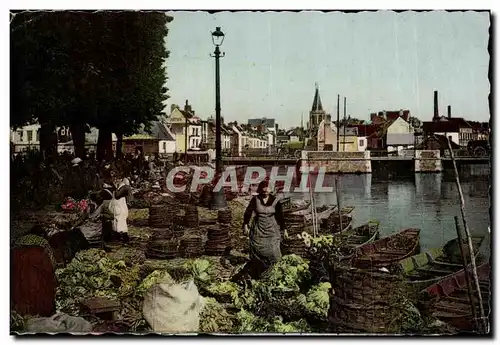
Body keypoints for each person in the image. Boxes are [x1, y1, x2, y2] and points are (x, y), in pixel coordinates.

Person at [240, 180, 287, 279]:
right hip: (258, 227)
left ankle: (275, 268)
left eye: (268, 188)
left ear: (271, 190)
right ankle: (259, 268)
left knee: (274, 249)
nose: (265, 190)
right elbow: (248, 212)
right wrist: (245, 224)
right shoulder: (255, 199)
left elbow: (280, 217)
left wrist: (284, 229)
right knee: (257, 247)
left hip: (271, 228)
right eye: (263, 188)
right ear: (260, 189)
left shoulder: (276, 201)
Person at [11, 225, 57, 317]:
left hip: (18, 269)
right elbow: (52, 263)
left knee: (19, 290)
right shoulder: (43, 242)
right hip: (36, 273)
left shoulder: (18, 241)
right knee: (38, 293)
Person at [100, 163, 131, 243]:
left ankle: (124, 238)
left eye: (117, 179)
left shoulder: (124, 185)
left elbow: (117, 195)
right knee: (117, 223)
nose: (115, 180)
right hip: (117, 207)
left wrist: (114, 186)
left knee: (121, 224)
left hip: (121, 207)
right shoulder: (117, 184)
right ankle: (118, 237)